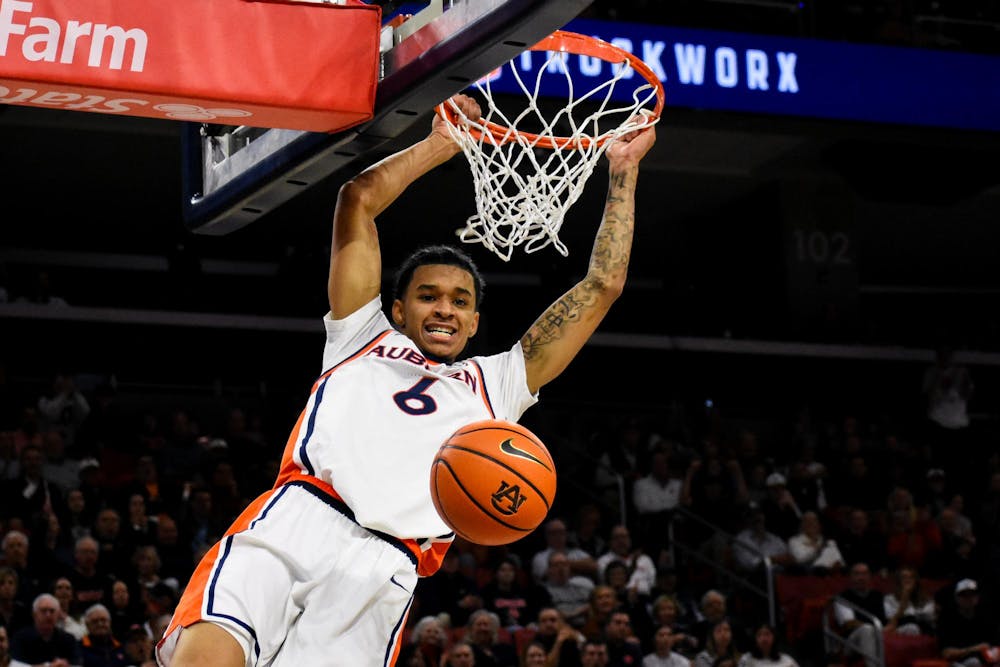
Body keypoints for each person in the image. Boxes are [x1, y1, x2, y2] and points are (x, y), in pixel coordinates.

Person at [157, 92, 657, 667]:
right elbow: (357, 201)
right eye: (428, 296)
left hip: (384, 568)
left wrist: (623, 173)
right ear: (398, 309)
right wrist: (441, 143)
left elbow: (601, 287)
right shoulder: (360, 334)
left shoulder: (496, 383)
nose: (444, 308)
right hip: (300, 518)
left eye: (460, 301)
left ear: (474, 322)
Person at [832, 562, 886, 667]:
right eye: (857, 574)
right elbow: (849, 624)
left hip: (880, 633)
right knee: (867, 629)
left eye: (864, 574)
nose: (861, 578)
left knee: (909, 628)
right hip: (851, 641)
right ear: (851, 577)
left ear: (869, 576)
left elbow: (887, 619)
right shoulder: (843, 598)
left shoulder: (878, 595)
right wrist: (876, 629)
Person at [9, 593, 82, 667]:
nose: (48, 615)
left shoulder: (68, 639)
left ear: (58, 615)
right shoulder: (20, 638)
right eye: (43, 611)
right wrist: (48, 666)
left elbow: (77, 665)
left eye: (52, 611)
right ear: (34, 614)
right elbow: (14, 665)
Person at [883, 566, 936, 637]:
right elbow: (890, 625)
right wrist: (903, 604)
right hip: (899, 635)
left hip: (922, 634)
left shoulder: (927, 600)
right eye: (904, 577)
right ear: (898, 581)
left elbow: (930, 619)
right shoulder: (889, 599)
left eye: (911, 577)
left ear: (916, 581)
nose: (908, 580)